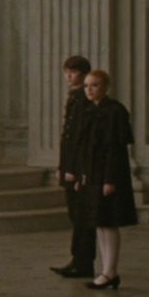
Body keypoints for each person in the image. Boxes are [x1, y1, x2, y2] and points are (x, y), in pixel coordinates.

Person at [75, 69, 138, 289]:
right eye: (86, 86)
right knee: (100, 223)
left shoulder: (115, 111)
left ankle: (110, 271)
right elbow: (86, 149)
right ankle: (107, 271)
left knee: (109, 222)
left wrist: (110, 179)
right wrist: (82, 175)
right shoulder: (90, 111)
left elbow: (115, 149)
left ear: (106, 86)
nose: (89, 90)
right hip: (93, 175)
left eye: (94, 85)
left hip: (108, 175)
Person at [50, 55, 97, 279]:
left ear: (83, 74)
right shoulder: (75, 97)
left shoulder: (83, 99)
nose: (68, 76)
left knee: (82, 216)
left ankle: (83, 262)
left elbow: (80, 139)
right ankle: (77, 259)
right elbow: (67, 139)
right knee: (76, 216)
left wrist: (74, 170)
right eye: (66, 71)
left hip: (77, 169)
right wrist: (62, 165)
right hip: (70, 166)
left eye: (73, 72)